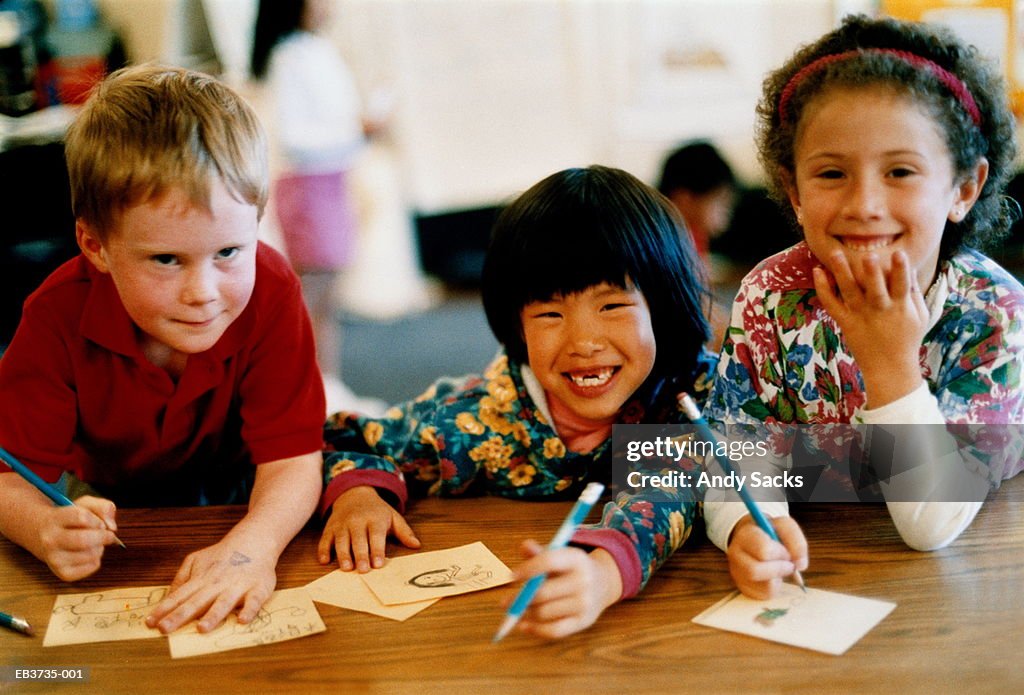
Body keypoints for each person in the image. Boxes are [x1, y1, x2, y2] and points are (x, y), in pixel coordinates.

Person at [318, 165, 716, 638]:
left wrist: (603, 574)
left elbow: (667, 489)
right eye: (550, 313)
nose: (584, 341)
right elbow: (344, 439)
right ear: (517, 326)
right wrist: (360, 494)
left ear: (664, 306)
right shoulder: (471, 417)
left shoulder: (694, 395)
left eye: (611, 306)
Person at [703, 14, 1024, 599]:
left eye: (900, 171)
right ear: (795, 192)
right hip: (827, 572)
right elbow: (735, 450)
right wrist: (751, 522)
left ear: (963, 189)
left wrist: (890, 361)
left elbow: (933, 526)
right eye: (831, 173)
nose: (865, 204)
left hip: (960, 587)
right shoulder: (769, 297)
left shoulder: (995, 312)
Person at [0, 65, 325, 634]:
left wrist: (252, 551)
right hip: (99, 501)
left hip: (243, 490)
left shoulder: (273, 289)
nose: (202, 294)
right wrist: (43, 527)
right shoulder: (54, 316)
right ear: (95, 245)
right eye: (166, 260)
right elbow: (9, 479)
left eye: (228, 251)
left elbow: (293, 460)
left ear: (257, 221)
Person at [250, 0, 384, 416]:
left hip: (330, 178)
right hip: (309, 183)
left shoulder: (314, 48)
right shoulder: (290, 54)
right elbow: (294, 137)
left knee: (328, 295)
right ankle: (306, 390)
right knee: (314, 293)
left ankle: (327, 385)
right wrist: (356, 131)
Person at [657, 140, 737, 260]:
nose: (727, 212)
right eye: (721, 203)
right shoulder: (665, 240)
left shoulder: (696, 235)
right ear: (684, 199)